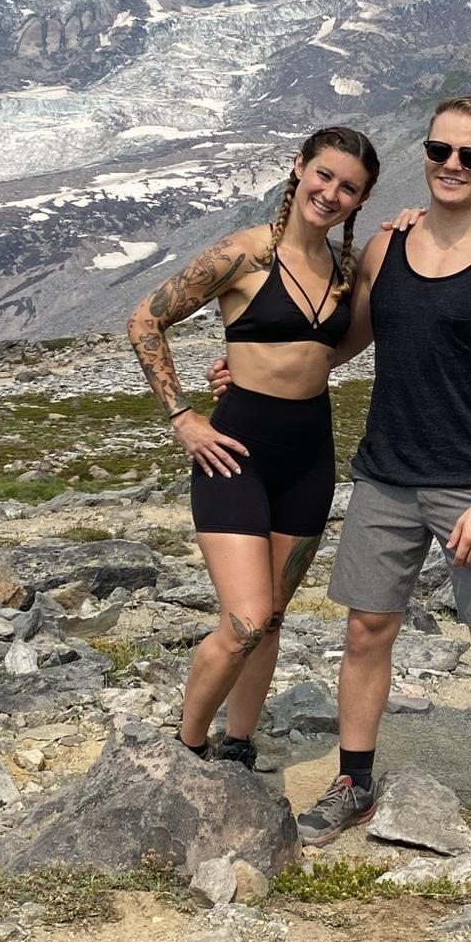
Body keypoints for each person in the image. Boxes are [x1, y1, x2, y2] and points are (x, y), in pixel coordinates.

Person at [284, 96, 471, 853]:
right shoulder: (386, 248)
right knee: (367, 630)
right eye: (441, 149)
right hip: (384, 475)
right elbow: (352, 340)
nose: (452, 165)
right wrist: (263, 369)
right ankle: (354, 779)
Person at [126, 127, 379, 768]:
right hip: (234, 452)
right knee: (242, 620)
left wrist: (282, 361)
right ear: (298, 170)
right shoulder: (242, 255)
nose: (331, 192)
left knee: (270, 620)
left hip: (309, 458)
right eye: (323, 175)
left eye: (349, 187)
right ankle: (187, 748)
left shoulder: (347, 271)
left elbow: (337, 345)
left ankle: (239, 745)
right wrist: (182, 415)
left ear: (360, 200)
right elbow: (145, 319)